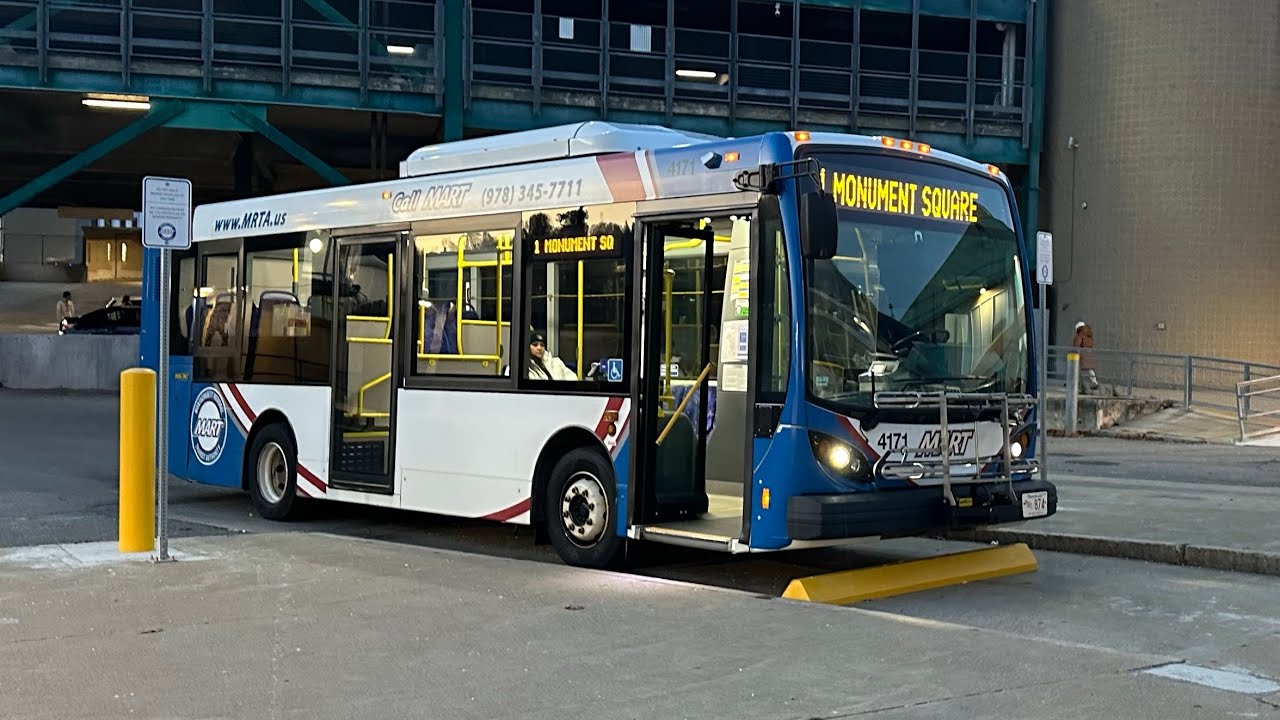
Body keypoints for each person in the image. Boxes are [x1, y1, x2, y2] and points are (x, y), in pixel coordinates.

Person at [1072, 321, 1100, 393]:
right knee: (1089, 369)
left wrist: (1074, 351)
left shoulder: (1079, 335)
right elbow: (1091, 343)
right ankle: (1094, 381)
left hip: (1081, 355)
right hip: (1089, 354)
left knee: (1076, 370)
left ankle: (1077, 385)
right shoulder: (1089, 335)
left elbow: (1076, 345)